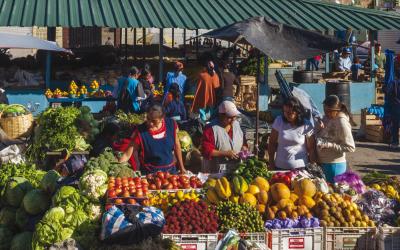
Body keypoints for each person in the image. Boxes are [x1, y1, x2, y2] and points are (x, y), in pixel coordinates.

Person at [119, 103, 186, 174]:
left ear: (162, 118)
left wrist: (182, 167)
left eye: (154, 121)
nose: (150, 123)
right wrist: (118, 167)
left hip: (170, 172)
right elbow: (127, 154)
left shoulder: (171, 125)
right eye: (148, 118)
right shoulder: (140, 132)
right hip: (150, 175)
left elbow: (177, 146)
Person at [267, 97, 317, 170]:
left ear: (297, 112)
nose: (287, 115)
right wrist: (271, 163)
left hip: (300, 168)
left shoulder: (306, 124)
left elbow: (311, 148)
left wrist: (313, 165)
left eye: (290, 113)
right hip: (280, 167)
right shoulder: (279, 121)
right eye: (285, 112)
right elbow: (272, 143)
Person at [315, 95, 355, 183]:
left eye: (328, 111)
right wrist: (319, 127)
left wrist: (329, 145)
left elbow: (351, 147)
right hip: (323, 162)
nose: (325, 114)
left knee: (333, 194)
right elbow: (326, 135)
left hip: (334, 165)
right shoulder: (327, 117)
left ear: (336, 110)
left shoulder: (341, 122)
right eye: (324, 110)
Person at [201, 101, 247, 173]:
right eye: (229, 117)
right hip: (217, 171)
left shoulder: (237, 125)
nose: (233, 119)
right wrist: (225, 153)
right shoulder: (211, 128)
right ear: (221, 116)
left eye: (234, 116)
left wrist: (244, 147)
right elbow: (206, 151)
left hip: (237, 170)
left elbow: (243, 141)